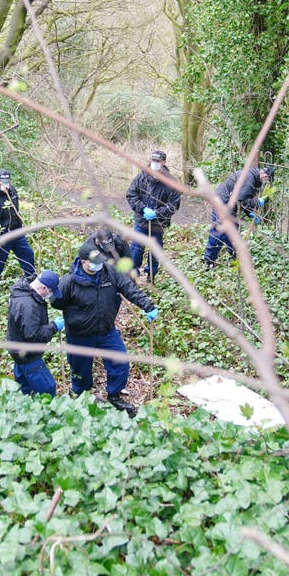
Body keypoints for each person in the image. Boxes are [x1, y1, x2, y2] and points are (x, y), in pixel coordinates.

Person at [52, 243, 159, 417]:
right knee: (80, 369)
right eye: (94, 262)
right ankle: (81, 396)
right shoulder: (69, 282)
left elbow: (129, 288)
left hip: (106, 330)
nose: (99, 265)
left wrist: (147, 306)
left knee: (120, 361)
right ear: (84, 262)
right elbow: (56, 302)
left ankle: (114, 396)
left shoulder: (109, 272)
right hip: (80, 335)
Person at [125, 149, 182, 282]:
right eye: (153, 161)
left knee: (155, 250)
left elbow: (173, 205)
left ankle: (151, 275)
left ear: (164, 162)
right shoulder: (141, 178)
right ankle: (133, 276)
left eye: (158, 161)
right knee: (136, 248)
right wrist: (143, 209)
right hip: (141, 220)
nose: (155, 163)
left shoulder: (170, 182)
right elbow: (131, 195)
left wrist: (157, 213)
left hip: (158, 224)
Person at [203, 163, 275, 266]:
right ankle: (209, 260)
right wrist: (257, 203)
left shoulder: (253, 177)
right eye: (267, 180)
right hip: (223, 202)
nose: (266, 183)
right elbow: (241, 200)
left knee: (232, 230)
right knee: (219, 231)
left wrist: (249, 212)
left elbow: (243, 197)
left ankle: (234, 255)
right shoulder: (250, 180)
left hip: (227, 202)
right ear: (265, 175)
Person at [6, 270, 63, 396]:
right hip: (27, 353)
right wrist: (54, 326)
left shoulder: (23, 291)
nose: (51, 294)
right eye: (51, 291)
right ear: (44, 287)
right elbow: (33, 336)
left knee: (23, 386)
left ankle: (23, 404)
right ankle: (47, 412)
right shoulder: (29, 306)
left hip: (16, 347)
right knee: (48, 388)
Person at [0, 168, 37, 290]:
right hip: (0, 236)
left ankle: (31, 281)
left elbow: (16, 211)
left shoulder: (12, 191)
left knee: (28, 254)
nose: (5, 186)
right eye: (2, 183)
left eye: (7, 182)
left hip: (16, 233)